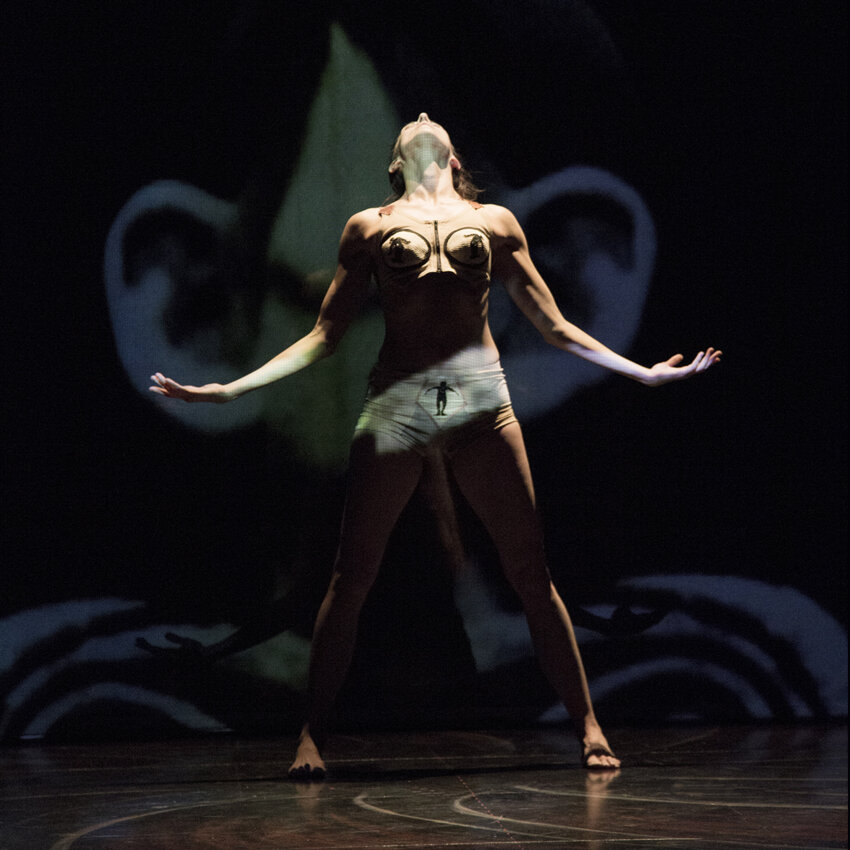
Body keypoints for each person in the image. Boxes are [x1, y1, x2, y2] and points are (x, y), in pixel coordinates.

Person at [150, 113, 721, 778]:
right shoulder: (370, 226)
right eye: (410, 125)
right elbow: (324, 335)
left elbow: (555, 325)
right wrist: (232, 388)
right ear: (396, 162)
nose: (421, 118)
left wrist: (642, 372)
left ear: (453, 159)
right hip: (400, 406)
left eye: (431, 121)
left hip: (481, 406)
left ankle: (590, 726)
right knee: (351, 577)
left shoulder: (495, 222)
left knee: (531, 575)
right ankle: (311, 735)